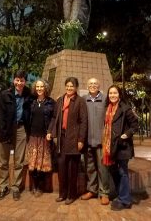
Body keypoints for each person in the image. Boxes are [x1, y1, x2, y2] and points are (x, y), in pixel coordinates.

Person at [47, 77, 88, 205]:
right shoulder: (60, 100)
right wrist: (50, 131)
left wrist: (81, 140)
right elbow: (54, 118)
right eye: (68, 86)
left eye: (72, 86)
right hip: (62, 138)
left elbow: (83, 122)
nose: (69, 88)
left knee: (72, 168)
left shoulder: (80, 101)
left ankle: (72, 194)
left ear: (76, 88)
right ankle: (62, 194)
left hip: (74, 139)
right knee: (62, 167)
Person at [0, 70, 32, 201]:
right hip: (5, 129)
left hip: (21, 129)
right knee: (3, 161)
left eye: (22, 80)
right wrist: (2, 134)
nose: (19, 83)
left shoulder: (29, 94)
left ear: (25, 81)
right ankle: (3, 187)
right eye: (17, 79)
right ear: (13, 80)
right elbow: (0, 116)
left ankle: (16, 187)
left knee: (19, 161)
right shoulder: (5, 95)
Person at [102, 84, 138, 211]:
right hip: (111, 146)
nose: (112, 95)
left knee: (123, 172)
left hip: (122, 146)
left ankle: (125, 200)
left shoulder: (125, 108)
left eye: (115, 93)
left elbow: (135, 125)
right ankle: (122, 195)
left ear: (119, 94)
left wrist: (126, 134)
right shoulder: (108, 108)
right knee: (114, 171)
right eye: (110, 93)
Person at [81, 78, 110, 205]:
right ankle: (92, 190)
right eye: (90, 84)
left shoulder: (105, 99)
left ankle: (104, 193)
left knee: (103, 168)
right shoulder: (83, 100)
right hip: (87, 141)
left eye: (95, 84)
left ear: (99, 86)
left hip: (101, 141)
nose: (93, 85)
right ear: (87, 86)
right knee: (90, 168)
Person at [27, 79, 55, 197]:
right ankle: (34, 185)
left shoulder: (50, 103)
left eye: (41, 87)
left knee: (42, 163)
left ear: (45, 88)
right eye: (37, 87)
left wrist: (50, 132)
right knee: (33, 163)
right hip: (33, 137)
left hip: (45, 137)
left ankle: (40, 187)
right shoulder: (31, 102)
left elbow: (54, 119)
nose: (39, 89)